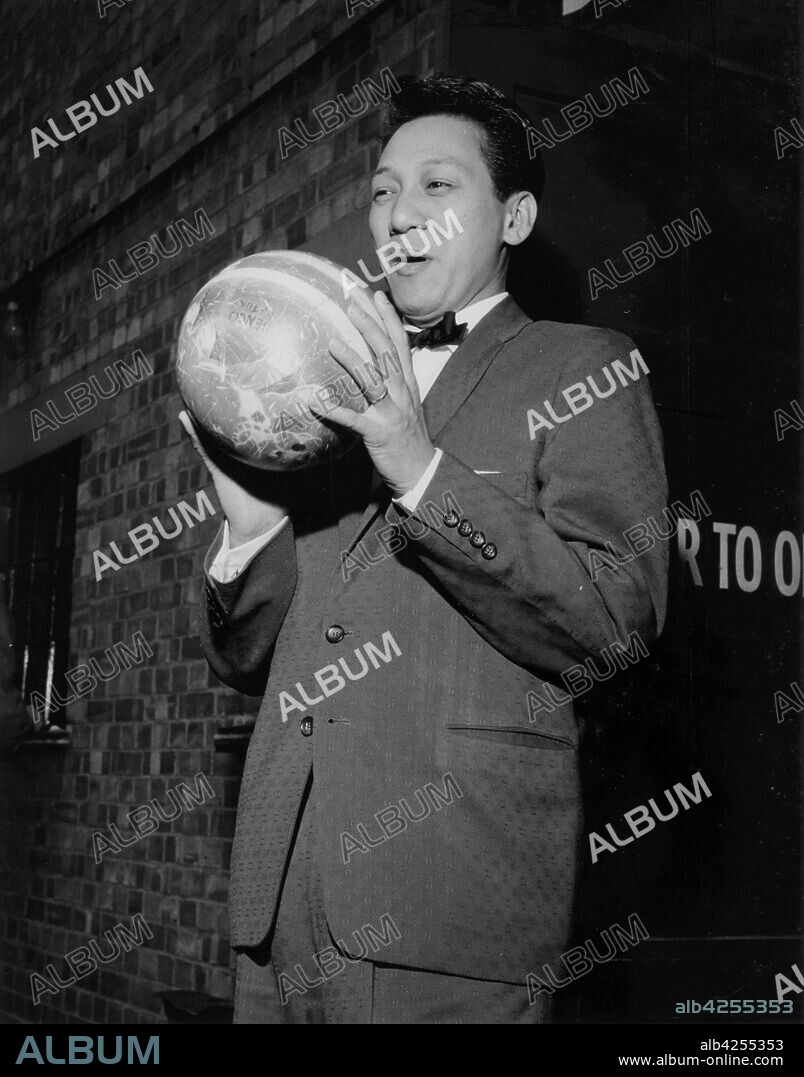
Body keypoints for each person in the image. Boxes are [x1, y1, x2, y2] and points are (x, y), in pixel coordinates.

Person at [181, 73, 668, 1024]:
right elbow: (245, 659)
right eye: (382, 190)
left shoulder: (584, 366)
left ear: (515, 217)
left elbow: (616, 619)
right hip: (279, 910)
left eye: (438, 186)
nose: (400, 213)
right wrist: (248, 533)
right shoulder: (318, 387)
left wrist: (419, 467)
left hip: (451, 909)